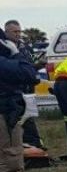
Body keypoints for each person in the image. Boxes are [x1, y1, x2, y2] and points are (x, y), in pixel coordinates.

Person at [0, 28, 38, 172]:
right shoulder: (4, 63)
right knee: (11, 156)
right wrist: (16, 54)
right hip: (5, 113)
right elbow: (29, 74)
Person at [4, 19, 45, 148]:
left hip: (28, 90)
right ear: (6, 32)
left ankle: (34, 145)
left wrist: (37, 65)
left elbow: (27, 67)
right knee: (17, 121)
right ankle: (30, 146)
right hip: (14, 92)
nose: (18, 34)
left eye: (19, 31)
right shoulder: (5, 48)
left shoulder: (24, 47)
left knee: (29, 118)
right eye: (15, 31)